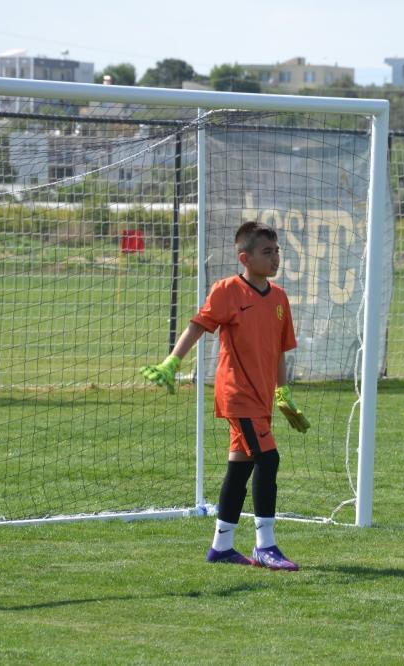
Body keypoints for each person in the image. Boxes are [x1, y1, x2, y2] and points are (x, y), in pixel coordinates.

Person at [140, 221, 310, 571]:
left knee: (240, 467)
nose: (276, 257)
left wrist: (283, 391)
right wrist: (172, 361)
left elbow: (280, 350)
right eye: (268, 252)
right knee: (269, 459)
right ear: (244, 257)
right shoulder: (227, 291)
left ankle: (222, 546)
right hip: (237, 394)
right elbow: (198, 325)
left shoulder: (279, 299)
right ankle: (266, 545)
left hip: (262, 400)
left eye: (277, 251)